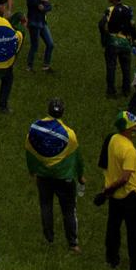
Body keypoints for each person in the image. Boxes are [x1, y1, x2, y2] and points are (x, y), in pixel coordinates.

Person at [25, 98, 82, 252]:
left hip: (43, 176)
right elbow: (77, 158)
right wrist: (80, 175)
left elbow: (29, 151)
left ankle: (49, 238)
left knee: (46, 206)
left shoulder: (35, 128)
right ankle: (73, 243)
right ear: (62, 112)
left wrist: (32, 170)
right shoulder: (69, 135)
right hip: (64, 178)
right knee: (69, 210)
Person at [95, 110, 136, 270]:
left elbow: (103, 164)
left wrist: (106, 192)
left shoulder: (112, 139)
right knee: (135, 234)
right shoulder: (129, 150)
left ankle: (111, 259)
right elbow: (125, 178)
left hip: (114, 197)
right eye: (135, 126)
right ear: (128, 129)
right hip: (130, 195)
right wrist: (108, 190)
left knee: (113, 229)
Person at [99, 0, 136, 98]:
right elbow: (132, 24)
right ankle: (126, 90)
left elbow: (101, 24)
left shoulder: (110, 10)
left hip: (113, 42)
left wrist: (104, 36)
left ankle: (111, 91)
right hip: (125, 43)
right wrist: (134, 40)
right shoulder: (128, 9)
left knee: (111, 67)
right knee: (126, 68)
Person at [24, 0, 55, 72]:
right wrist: (45, 0)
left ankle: (46, 65)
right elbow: (45, 8)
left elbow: (49, 7)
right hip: (34, 24)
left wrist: (45, 1)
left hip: (42, 22)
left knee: (50, 44)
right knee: (35, 46)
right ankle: (29, 66)